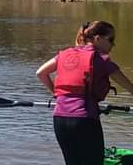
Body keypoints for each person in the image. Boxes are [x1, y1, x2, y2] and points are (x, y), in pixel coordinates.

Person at [36, 21, 133, 165]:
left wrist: (58, 95)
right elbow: (129, 87)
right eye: (110, 39)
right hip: (84, 120)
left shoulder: (65, 54)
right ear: (97, 39)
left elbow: (40, 73)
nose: (113, 45)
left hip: (60, 119)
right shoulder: (102, 59)